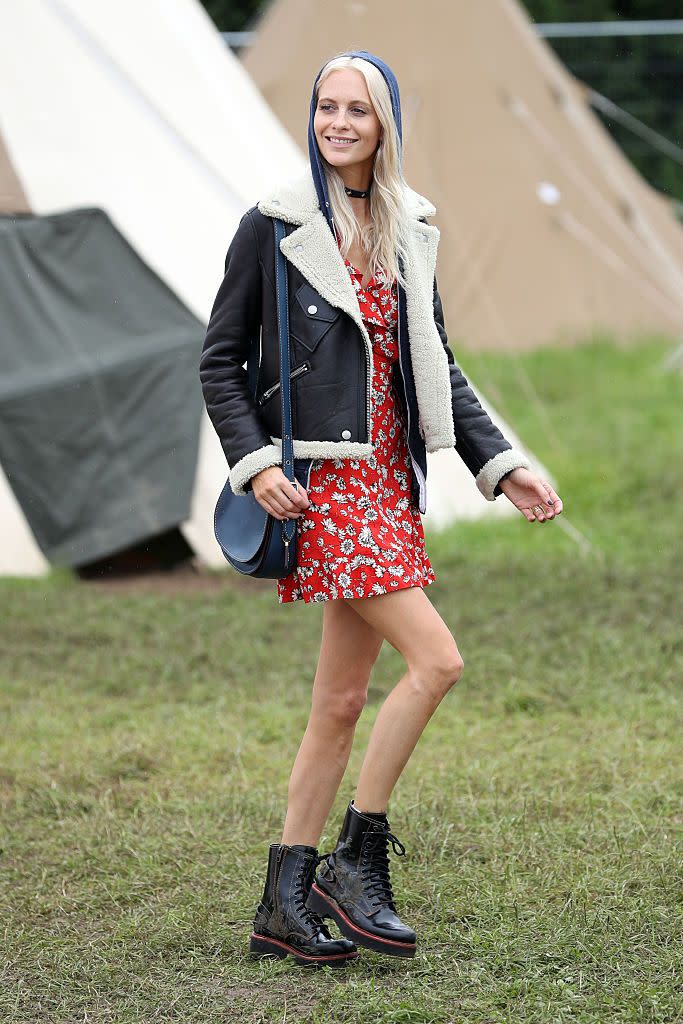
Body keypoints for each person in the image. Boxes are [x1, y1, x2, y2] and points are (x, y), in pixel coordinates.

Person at [200, 51, 563, 968]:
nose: (337, 123)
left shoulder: (409, 226)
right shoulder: (275, 224)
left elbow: (435, 362)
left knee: (339, 704)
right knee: (438, 661)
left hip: (391, 489)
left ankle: (283, 900)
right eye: (326, 107)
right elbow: (220, 359)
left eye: (356, 110)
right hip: (322, 493)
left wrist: (501, 463)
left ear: (384, 122)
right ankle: (353, 860)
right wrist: (251, 464)